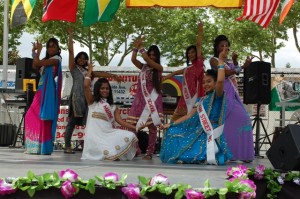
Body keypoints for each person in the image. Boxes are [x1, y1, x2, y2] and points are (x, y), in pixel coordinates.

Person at [160, 47, 232, 165]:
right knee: (172, 132)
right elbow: (189, 116)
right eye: (203, 82)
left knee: (192, 153)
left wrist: (220, 60)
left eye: (209, 81)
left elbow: (220, 81)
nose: (205, 84)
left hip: (211, 131)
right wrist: (170, 124)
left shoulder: (217, 96)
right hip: (198, 129)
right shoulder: (201, 99)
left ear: (214, 83)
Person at [64, 28, 122, 154]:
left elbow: (101, 73)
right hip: (77, 98)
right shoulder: (74, 69)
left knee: (88, 122)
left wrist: (113, 75)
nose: (81, 60)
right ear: (76, 59)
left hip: (88, 99)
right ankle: (67, 145)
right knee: (72, 122)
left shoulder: (88, 72)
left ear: (87, 60)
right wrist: (70, 36)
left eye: (84, 58)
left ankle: (89, 145)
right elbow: (70, 52)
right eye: (80, 58)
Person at [209, 35, 254, 162]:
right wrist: (242, 67)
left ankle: (243, 154)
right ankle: (227, 153)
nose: (225, 47)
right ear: (217, 47)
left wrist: (235, 61)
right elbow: (226, 73)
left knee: (244, 120)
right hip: (223, 92)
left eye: (226, 45)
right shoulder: (214, 60)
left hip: (233, 93)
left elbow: (236, 71)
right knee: (226, 124)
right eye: (222, 45)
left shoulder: (228, 61)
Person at [81, 64, 138, 161]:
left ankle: (111, 154)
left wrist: (136, 127)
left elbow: (120, 121)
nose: (105, 90)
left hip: (108, 133)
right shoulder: (93, 102)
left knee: (131, 135)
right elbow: (86, 85)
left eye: (107, 88)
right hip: (95, 135)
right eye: (102, 88)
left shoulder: (113, 106)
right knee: (104, 153)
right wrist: (89, 71)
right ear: (98, 89)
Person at [126, 38, 164, 160]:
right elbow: (133, 59)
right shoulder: (143, 67)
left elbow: (147, 59)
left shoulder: (158, 67)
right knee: (132, 125)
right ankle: (136, 149)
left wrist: (142, 48)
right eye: (150, 54)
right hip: (140, 99)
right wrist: (135, 48)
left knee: (152, 127)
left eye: (154, 55)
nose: (151, 56)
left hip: (152, 99)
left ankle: (149, 152)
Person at [24, 38, 62, 155]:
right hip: (41, 89)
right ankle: (35, 147)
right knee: (33, 116)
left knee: (44, 118)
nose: (51, 48)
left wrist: (37, 52)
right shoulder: (46, 59)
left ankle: (44, 148)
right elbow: (35, 65)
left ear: (57, 49)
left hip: (48, 91)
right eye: (49, 46)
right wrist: (35, 52)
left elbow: (38, 63)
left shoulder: (57, 59)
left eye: (53, 46)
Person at [162, 21, 205, 121]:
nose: (191, 54)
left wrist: (200, 31)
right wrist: (167, 76)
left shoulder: (199, 63)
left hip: (195, 98)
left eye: (193, 52)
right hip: (184, 99)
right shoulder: (188, 69)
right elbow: (177, 72)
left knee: (191, 123)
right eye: (188, 53)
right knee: (174, 121)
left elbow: (198, 45)